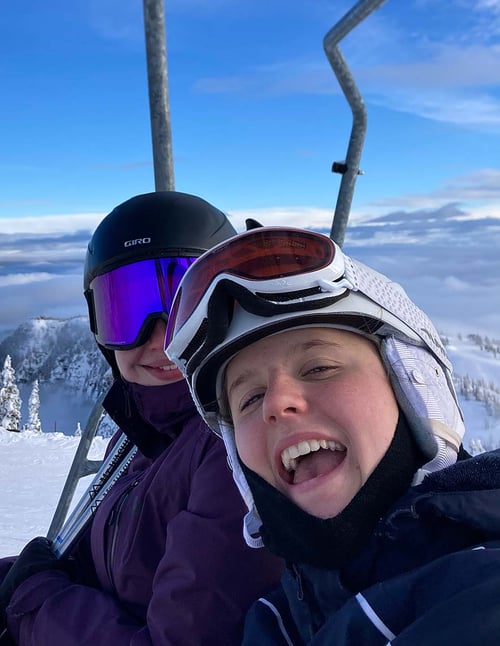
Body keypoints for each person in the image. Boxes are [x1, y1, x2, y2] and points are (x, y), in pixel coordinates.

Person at [165, 224, 500, 645]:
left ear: (414, 389)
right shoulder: (277, 621)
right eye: (250, 398)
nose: (276, 404)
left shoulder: (479, 591)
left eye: (319, 367)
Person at [0, 192, 282, 645]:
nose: (160, 340)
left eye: (185, 311)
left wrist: (37, 601)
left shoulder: (235, 451)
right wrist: (23, 580)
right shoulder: (142, 433)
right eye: (126, 312)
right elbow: (94, 565)